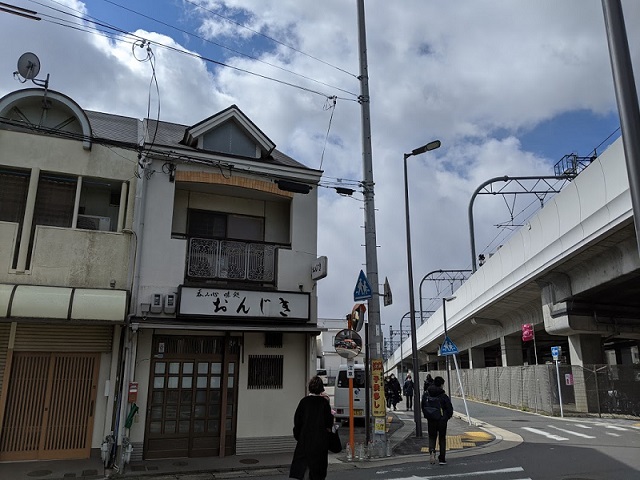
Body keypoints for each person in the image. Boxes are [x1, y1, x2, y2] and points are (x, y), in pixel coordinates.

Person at [290, 376, 334, 480]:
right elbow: (329, 423)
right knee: (318, 472)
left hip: (305, 441)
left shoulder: (304, 402)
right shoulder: (324, 403)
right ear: (321, 389)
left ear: (310, 387)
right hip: (320, 442)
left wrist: (299, 436)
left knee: (304, 469)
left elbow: (297, 422)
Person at [421, 376, 453, 466]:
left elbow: (423, 406)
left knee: (432, 437)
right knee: (442, 438)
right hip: (442, 420)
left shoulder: (427, 394)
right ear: (442, 384)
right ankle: (442, 459)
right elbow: (450, 409)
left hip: (431, 419)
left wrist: (427, 415)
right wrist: (446, 417)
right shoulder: (443, 396)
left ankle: (432, 451)